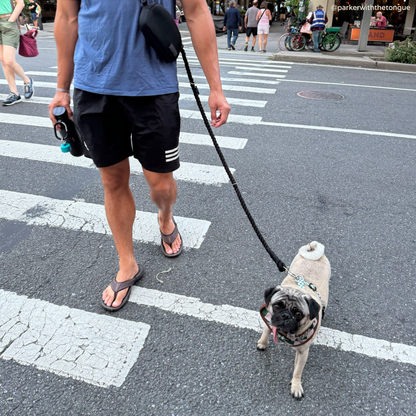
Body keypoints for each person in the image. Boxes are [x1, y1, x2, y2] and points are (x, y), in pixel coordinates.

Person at [49, 0, 230, 312]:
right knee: (112, 181)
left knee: (160, 184)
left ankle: (165, 215)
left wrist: (216, 87)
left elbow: (197, 11)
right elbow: (67, 17)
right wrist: (61, 90)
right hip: (94, 88)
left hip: (154, 89)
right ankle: (127, 263)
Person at [0, 0, 34, 106]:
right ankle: (14, 93)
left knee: (9, 60)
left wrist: (10, 20)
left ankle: (27, 80)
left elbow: (21, 3)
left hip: (8, 23)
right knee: (3, 60)